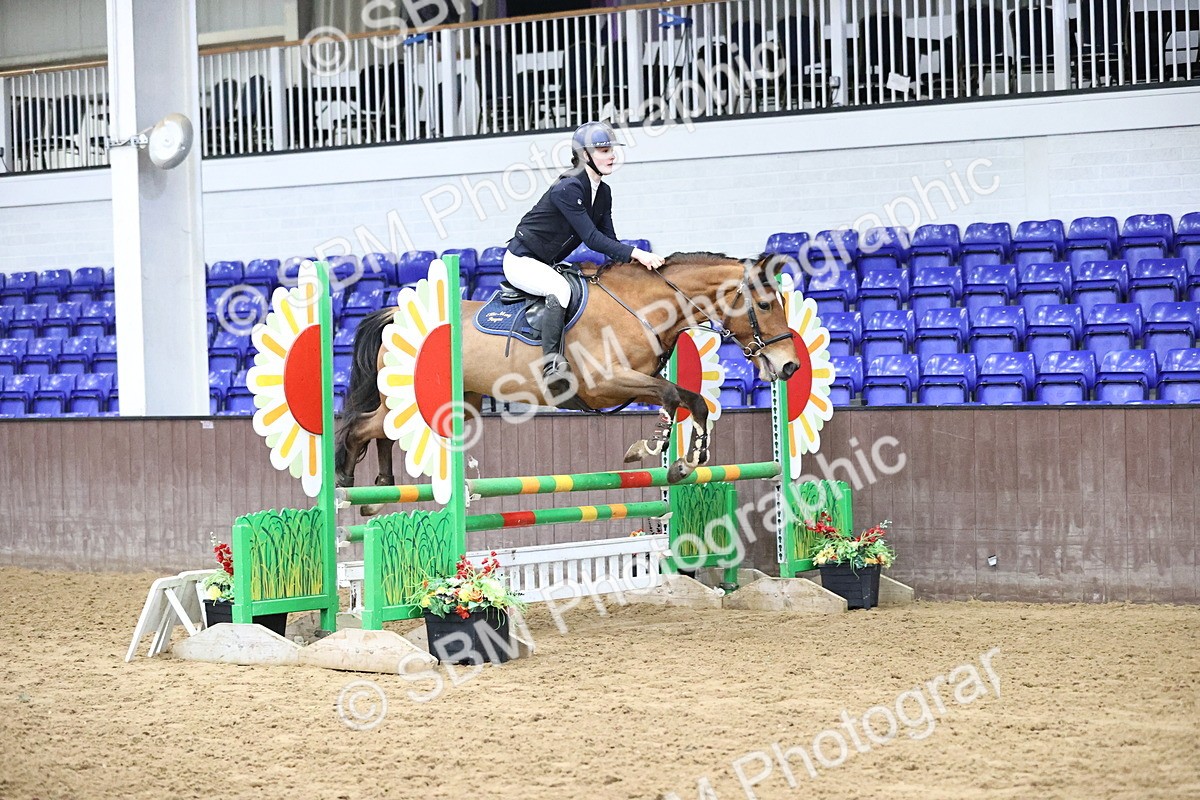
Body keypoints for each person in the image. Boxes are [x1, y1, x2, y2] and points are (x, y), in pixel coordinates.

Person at [505, 120, 664, 396]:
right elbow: (591, 239)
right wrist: (638, 253)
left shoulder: (603, 192)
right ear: (584, 155)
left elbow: (609, 243)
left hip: (546, 263)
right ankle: (552, 366)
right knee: (559, 289)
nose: (612, 155)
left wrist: (636, 270)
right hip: (522, 260)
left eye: (611, 149)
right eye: (603, 150)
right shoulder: (567, 188)